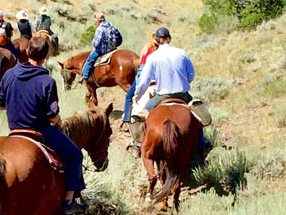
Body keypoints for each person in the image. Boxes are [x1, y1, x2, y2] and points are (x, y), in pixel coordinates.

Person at [0, 40, 87, 215]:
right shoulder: (47, 81)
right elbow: (52, 116)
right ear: (46, 56)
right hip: (40, 132)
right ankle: (68, 201)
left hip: (14, 131)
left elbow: (1, 105)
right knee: (75, 155)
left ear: (28, 51)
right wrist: (58, 121)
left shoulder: (9, 74)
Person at [128, 27, 206, 156]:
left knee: (140, 116)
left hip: (161, 96)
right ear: (169, 38)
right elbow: (191, 74)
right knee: (197, 115)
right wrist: (182, 82)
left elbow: (144, 81)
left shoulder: (153, 57)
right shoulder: (182, 53)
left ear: (157, 40)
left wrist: (137, 96)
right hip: (183, 95)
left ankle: (139, 144)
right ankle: (202, 143)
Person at [122, 31, 161, 124]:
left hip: (143, 73)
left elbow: (141, 59)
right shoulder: (161, 51)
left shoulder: (148, 46)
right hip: (157, 77)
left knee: (129, 96)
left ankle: (127, 119)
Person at [79, 11, 120, 86]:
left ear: (98, 20)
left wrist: (94, 44)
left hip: (103, 50)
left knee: (89, 60)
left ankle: (85, 78)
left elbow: (96, 43)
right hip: (113, 48)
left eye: (96, 20)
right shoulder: (111, 25)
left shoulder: (100, 29)